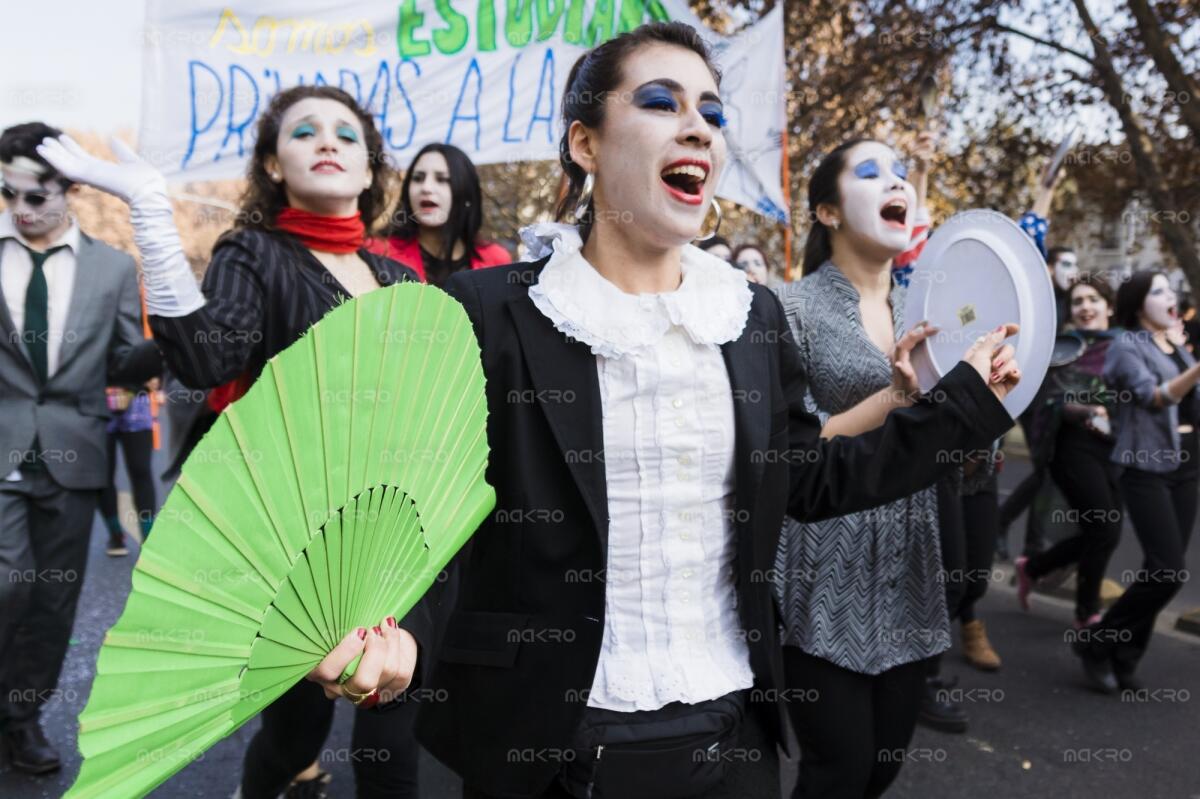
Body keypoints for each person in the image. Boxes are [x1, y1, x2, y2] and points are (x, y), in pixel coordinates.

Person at [306, 26, 1015, 798]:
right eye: (659, 102)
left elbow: (809, 480)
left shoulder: (749, 317)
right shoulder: (486, 313)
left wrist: (961, 405)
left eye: (712, 113)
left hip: (728, 737)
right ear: (585, 143)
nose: (698, 128)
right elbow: (425, 517)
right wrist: (394, 626)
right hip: (545, 750)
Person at [39, 86, 425, 798]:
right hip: (291, 543)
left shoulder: (402, 279)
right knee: (296, 727)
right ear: (274, 166)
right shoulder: (254, 253)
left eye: (347, 134)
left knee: (394, 724)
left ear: (371, 170)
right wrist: (151, 212)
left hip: (390, 536)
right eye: (304, 131)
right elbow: (208, 358)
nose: (328, 142)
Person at [0, 122, 161, 774]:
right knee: (8, 580)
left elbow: (125, 359)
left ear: (69, 188)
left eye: (36, 194)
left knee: (52, 598)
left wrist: (176, 339)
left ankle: (21, 715)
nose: (21, 209)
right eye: (7, 194)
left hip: (76, 451)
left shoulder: (114, 267)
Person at [1070, 271, 1197, 693]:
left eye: (1169, 289)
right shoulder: (1126, 346)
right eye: (1158, 290)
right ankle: (1096, 641)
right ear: (1139, 303)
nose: (1169, 296)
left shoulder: (1176, 345)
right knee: (1167, 570)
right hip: (1145, 465)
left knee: (1162, 571)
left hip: (1185, 465)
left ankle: (1125, 654)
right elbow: (1153, 397)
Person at [1015, 278, 1121, 628]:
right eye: (1078, 302)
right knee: (1103, 528)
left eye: (1093, 299)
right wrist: (1085, 410)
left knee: (1104, 532)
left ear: (1110, 306)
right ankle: (1086, 615)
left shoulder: (1125, 346)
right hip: (1070, 448)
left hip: (1117, 451)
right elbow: (1046, 401)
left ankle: (1032, 568)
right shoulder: (1063, 350)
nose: (1085, 307)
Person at [370, 142, 510, 287]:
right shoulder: (379, 252)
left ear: (466, 192)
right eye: (418, 178)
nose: (426, 188)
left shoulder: (496, 260)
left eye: (442, 179)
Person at [98, 377, 160, 556]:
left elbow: (158, 352)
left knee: (141, 470)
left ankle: (148, 539)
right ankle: (115, 534)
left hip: (137, 403)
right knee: (102, 475)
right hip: (97, 404)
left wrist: (157, 377)